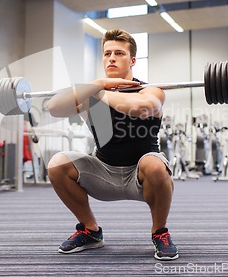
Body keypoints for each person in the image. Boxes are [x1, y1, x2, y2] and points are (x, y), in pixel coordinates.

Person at [45, 29, 179, 261]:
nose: (112, 58)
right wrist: (98, 84)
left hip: (141, 175)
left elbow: (142, 108)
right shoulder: (94, 89)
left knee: (155, 164)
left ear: (132, 60)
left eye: (119, 53)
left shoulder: (150, 89)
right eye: (107, 54)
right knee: (57, 164)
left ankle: (160, 232)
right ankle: (90, 231)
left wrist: (99, 93)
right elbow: (54, 107)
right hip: (104, 172)